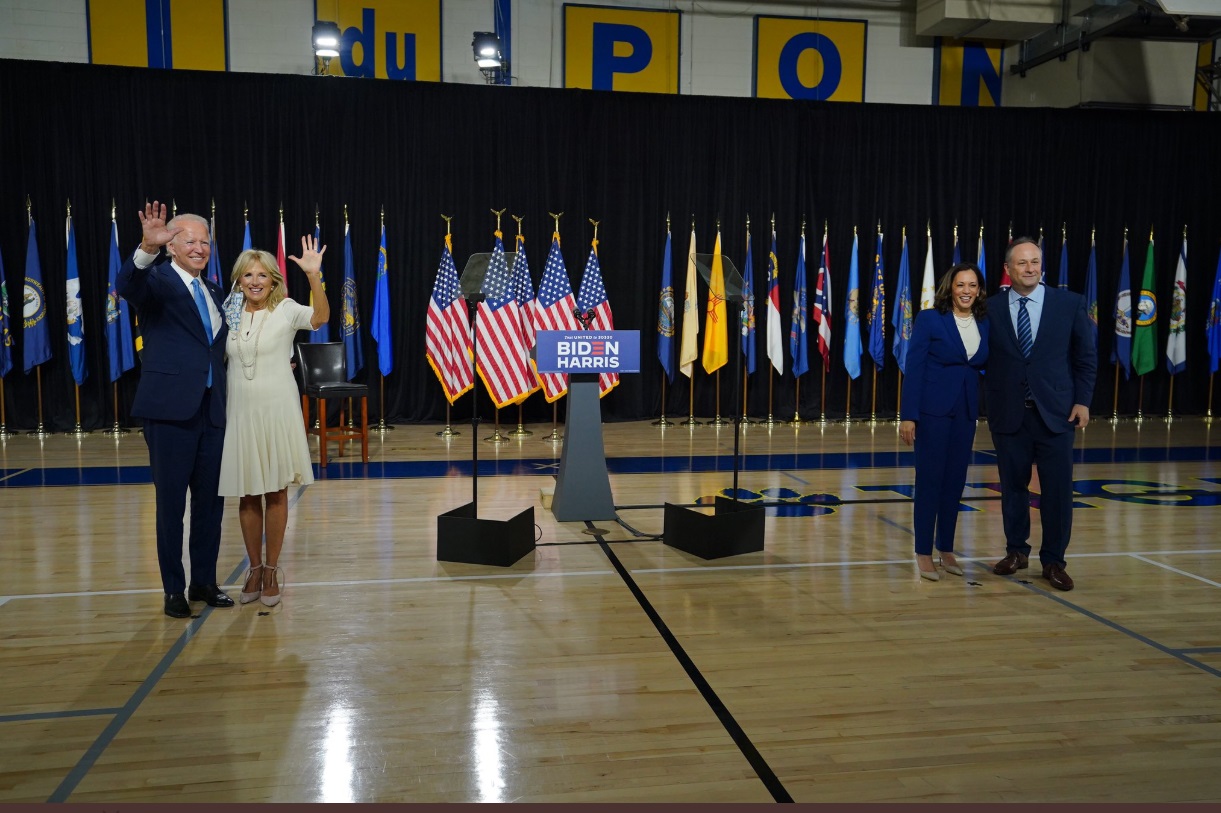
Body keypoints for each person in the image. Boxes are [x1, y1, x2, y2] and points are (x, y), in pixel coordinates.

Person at [117, 202, 232, 618]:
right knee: (171, 506)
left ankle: (204, 580)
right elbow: (128, 283)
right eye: (190, 240)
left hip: (212, 413)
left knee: (210, 505)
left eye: (205, 241)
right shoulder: (157, 282)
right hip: (169, 413)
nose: (200, 248)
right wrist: (146, 247)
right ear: (171, 246)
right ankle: (173, 588)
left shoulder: (215, 291)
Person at [218, 237, 329, 608]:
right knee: (248, 493)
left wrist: (314, 276)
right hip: (241, 414)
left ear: (273, 280)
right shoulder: (227, 312)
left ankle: (272, 569)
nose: (254, 281)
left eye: (261, 275)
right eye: (247, 274)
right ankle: (253, 568)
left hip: (277, 413)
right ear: (238, 279)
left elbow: (320, 319)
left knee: (276, 492)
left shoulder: (286, 309)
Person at [986, 237, 1096, 591]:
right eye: (1022, 263)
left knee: (1058, 492)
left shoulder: (1070, 304)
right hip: (1009, 416)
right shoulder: (991, 308)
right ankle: (1016, 552)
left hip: (1058, 414)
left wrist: (1083, 401)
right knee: (1013, 488)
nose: (1030, 268)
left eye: (1035, 261)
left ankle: (1053, 561)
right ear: (1008, 269)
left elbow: (1085, 358)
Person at [899, 262, 990, 581]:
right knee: (930, 482)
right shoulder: (929, 319)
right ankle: (923, 551)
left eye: (973, 285)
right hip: (931, 413)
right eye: (961, 285)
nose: (967, 291)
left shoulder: (985, 322)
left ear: (979, 290)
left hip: (965, 413)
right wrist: (908, 415)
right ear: (949, 288)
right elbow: (915, 368)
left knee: (954, 483)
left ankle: (946, 548)